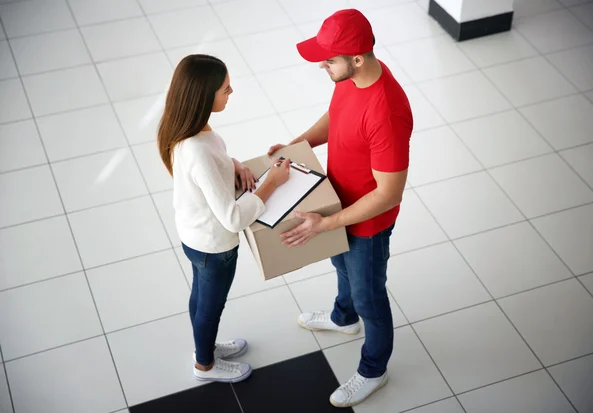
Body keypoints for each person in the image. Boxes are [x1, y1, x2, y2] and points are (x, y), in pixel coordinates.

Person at [267, 9, 413, 408]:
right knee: (341, 267)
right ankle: (343, 319)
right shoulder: (350, 78)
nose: (323, 66)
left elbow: (388, 193)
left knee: (370, 296)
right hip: (338, 204)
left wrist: (325, 222)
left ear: (358, 59)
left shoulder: (387, 111)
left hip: (366, 222)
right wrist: (296, 146)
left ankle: (373, 370)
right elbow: (335, 116)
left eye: (329, 60)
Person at [158, 54, 291, 383]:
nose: (231, 93)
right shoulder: (198, 149)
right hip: (214, 247)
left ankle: (205, 347)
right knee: (210, 306)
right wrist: (272, 183)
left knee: (201, 298)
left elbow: (208, 165)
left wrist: (233, 164)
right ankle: (205, 365)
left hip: (194, 237)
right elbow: (233, 218)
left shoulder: (189, 129)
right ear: (204, 96)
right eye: (226, 90)